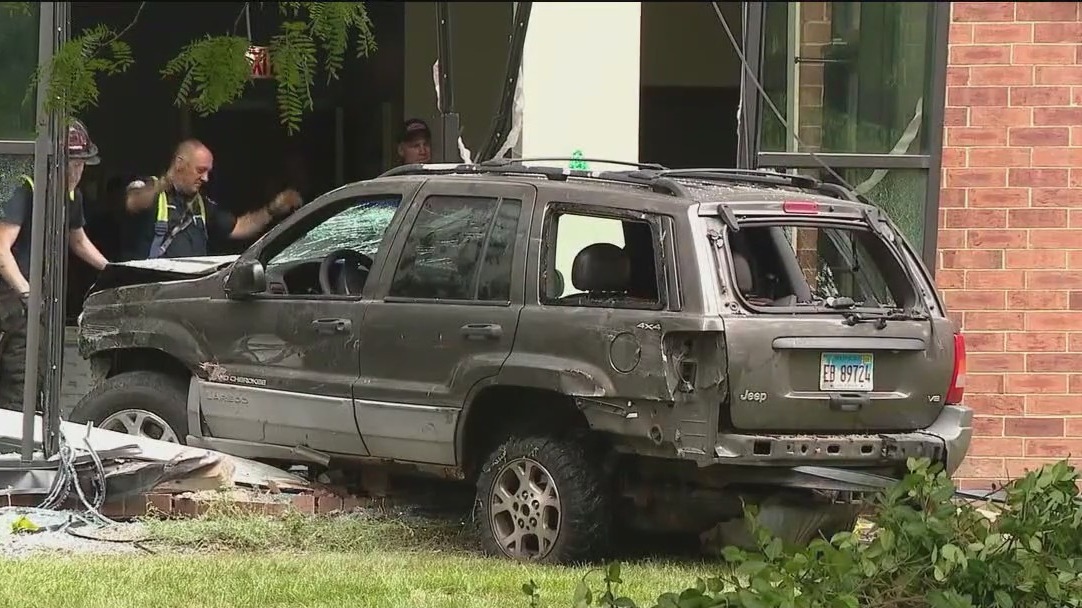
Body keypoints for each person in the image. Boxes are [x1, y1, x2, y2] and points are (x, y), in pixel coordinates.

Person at [0, 118, 111, 411]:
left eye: (81, 163)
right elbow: (1, 251)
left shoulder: (70, 193)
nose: (77, 170)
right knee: (18, 386)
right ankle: (11, 452)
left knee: (43, 383)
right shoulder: (21, 186)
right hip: (14, 301)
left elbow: (78, 240)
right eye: (71, 162)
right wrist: (27, 294)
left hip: (42, 301)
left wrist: (113, 272)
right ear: (50, 162)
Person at [123, 139, 302, 260]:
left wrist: (272, 209)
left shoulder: (201, 204)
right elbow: (133, 202)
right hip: (153, 294)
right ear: (179, 164)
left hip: (189, 293)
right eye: (200, 170)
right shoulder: (152, 189)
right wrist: (168, 180)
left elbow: (238, 227)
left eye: (208, 171)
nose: (206, 178)